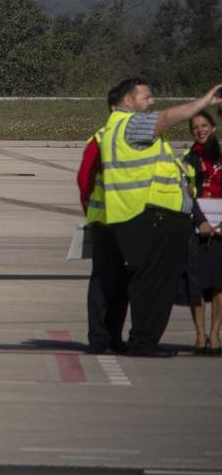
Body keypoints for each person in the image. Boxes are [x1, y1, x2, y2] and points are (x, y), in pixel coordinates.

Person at [95, 78, 222, 357]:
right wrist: (200, 104)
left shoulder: (115, 128)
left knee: (147, 283)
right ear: (128, 100)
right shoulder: (130, 123)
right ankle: (144, 340)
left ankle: (142, 338)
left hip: (139, 216)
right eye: (147, 98)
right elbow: (165, 118)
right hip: (150, 217)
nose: (152, 103)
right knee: (154, 285)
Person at [77, 133, 130, 353]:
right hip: (105, 222)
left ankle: (114, 335)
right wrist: (90, 213)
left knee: (122, 282)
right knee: (102, 280)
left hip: (131, 222)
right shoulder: (100, 138)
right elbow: (85, 179)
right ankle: (99, 335)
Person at [184, 109, 222, 355]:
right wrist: (201, 221)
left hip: (221, 227)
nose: (200, 130)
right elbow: (186, 195)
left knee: (219, 284)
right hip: (198, 226)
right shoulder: (188, 159)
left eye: (204, 125)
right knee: (196, 284)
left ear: (213, 127)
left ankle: (215, 333)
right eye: (195, 127)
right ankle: (199, 334)